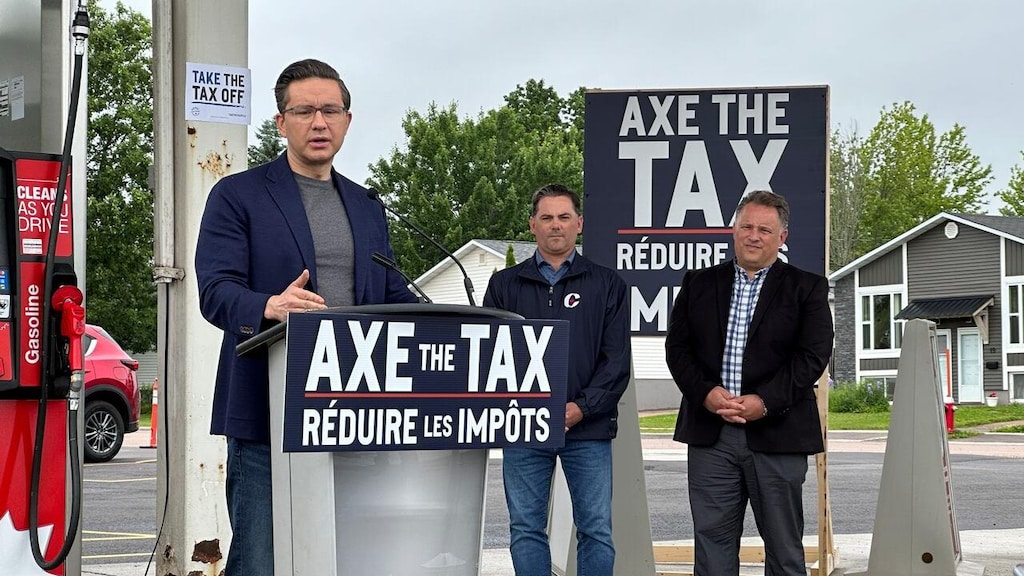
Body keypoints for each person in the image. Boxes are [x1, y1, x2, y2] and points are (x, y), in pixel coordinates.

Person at [195, 59, 417, 576]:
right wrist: (269, 306)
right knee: (261, 558)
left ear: (348, 120)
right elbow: (215, 291)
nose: (320, 122)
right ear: (280, 122)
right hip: (268, 408)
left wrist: (441, 320)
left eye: (330, 110)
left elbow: (386, 290)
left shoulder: (367, 204)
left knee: (344, 557)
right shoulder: (237, 195)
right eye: (305, 111)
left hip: (356, 412)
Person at [664, 189, 834, 576]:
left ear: (782, 237)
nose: (754, 235)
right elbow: (678, 349)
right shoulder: (699, 283)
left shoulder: (807, 288)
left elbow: (812, 358)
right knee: (712, 547)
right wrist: (705, 394)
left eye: (764, 229)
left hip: (779, 434)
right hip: (711, 435)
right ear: (733, 229)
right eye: (747, 226)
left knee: (785, 549)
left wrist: (764, 401)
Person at [483, 183, 631, 576]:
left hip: (588, 429)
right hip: (524, 428)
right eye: (546, 218)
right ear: (532, 225)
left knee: (596, 530)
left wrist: (580, 409)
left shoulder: (607, 285)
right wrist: (528, 409)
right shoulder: (503, 286)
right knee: (525, 529)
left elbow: (616, 363)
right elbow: (492, 358)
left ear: (579, 223)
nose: (556, 226)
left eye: (564, 217)